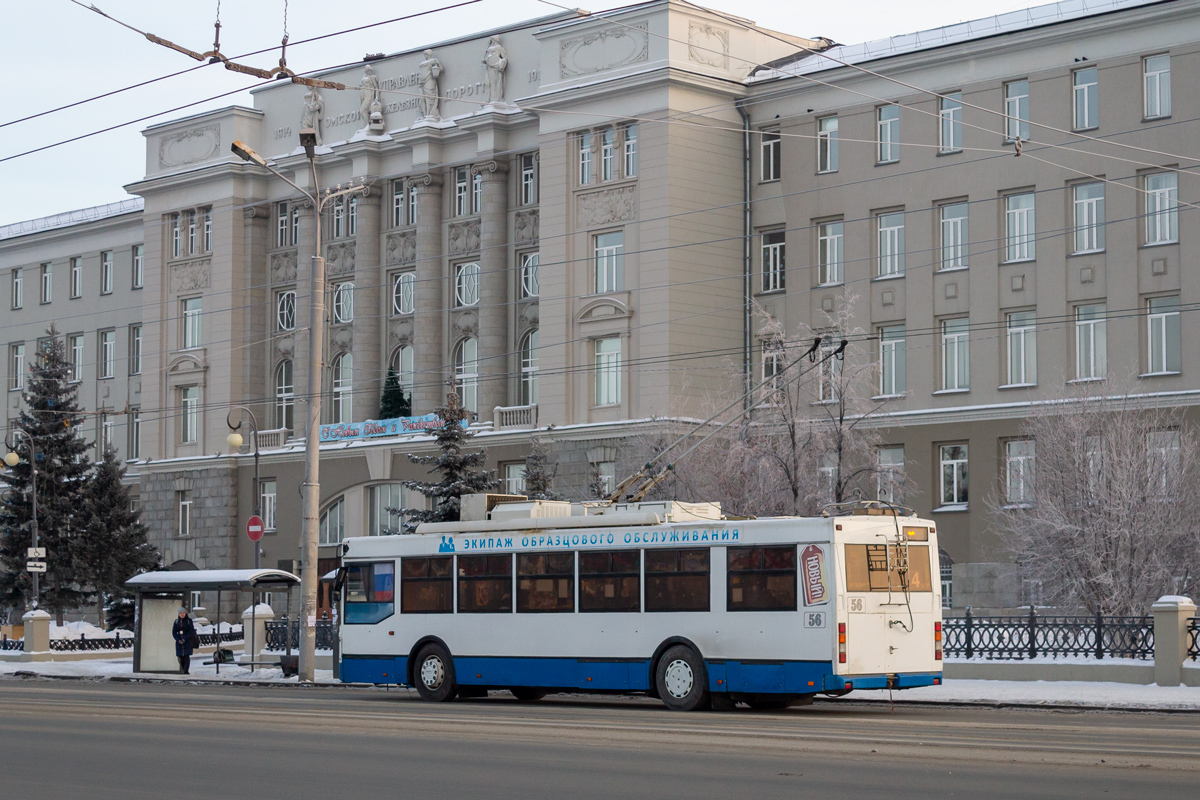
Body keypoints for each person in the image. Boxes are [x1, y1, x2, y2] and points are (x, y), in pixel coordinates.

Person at [172, 607, 196, 674]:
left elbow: (191, 631)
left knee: (186, 656)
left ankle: (186, 671)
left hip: (187, 641)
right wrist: (178, 639)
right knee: (180, 657)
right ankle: (183, 669)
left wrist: (185, 638)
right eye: (180, 613)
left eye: (183, 613)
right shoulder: (176, 622)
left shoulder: (189, 621)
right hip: (179, 642)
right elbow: (174, 632)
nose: (182, 614)